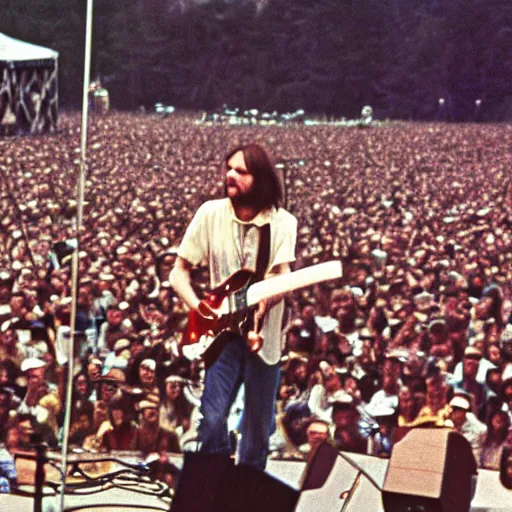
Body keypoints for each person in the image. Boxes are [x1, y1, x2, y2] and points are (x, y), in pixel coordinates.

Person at [170, 143, 297, 471]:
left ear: (262, 178)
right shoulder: (209, 214)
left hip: (263, 338)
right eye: (229, 168)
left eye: (241, 171)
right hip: (221, 335)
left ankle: (244, 497)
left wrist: (265, 300)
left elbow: (283, 276)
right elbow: (178, 272)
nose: (230, 175)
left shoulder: (283, 223)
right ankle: (215, 482)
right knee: (211, 419)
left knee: (256, 433)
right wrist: (200, 308)